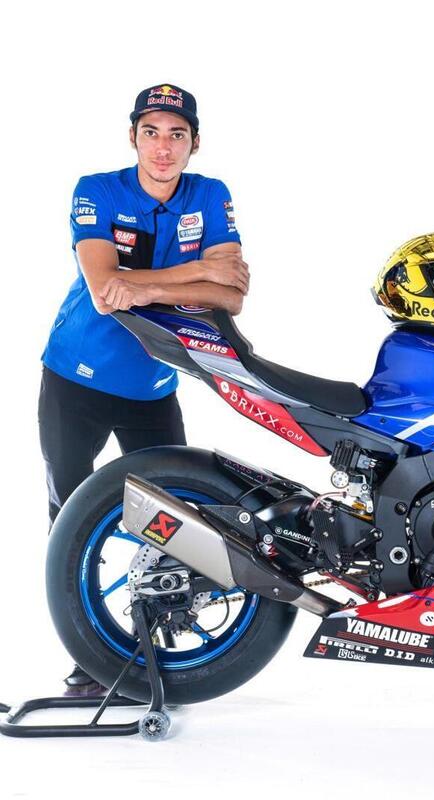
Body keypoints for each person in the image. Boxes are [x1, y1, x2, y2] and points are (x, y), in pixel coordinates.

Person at [40, 83, 249, 695]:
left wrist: (147, 285)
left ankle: (151, 646)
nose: (163, 147)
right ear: (132, 137)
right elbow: (105, 291)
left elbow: (232, 296)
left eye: (176, 135)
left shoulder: (209, 193)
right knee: (71, 520)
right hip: (74, 376)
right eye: (151, 132)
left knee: (173, 518)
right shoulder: (96, 190)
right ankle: (89, 662)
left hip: (153, 384)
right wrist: (198, 270)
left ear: (194, 143)